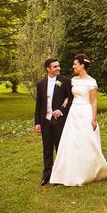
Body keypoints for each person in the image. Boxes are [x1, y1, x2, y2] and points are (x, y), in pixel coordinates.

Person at [49, 54, 107, 186]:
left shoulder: (91, 82)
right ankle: (68, 172)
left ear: (82, 65)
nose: (73, 66)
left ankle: (88, 171)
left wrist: (94, 118)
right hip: (74, 113)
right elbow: (70, 94)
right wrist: (67, 99)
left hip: (85, 112)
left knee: (86, 141)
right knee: (71, 141)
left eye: (75, 64)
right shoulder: (73, 80)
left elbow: (93, 101)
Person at [34, 58, 73, 186]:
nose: (58, 68)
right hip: (45, 121)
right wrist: (37, 122)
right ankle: (47, 176)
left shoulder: (65, 81)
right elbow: (39, 104)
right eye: (55, 66)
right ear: (48, 69)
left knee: (60, 148)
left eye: (58, 66)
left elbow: (71, 99)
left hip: (59, 121)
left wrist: (61, 110)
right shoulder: (41, 84)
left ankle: (61, 175)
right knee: (47, 149)